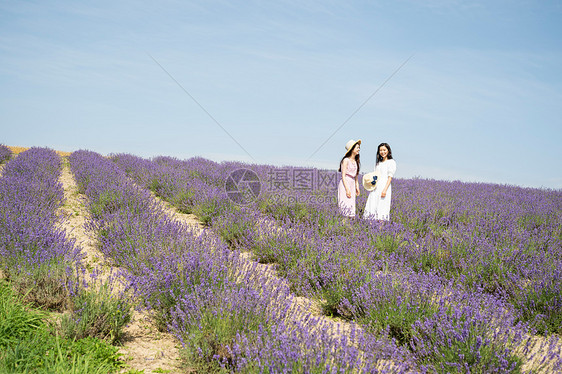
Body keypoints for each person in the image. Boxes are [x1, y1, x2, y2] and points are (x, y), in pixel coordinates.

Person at [364, 142, 396, 221]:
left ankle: (380, 229)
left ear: (388, 151)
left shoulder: (391, 162)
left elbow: (390, 177)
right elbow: (375, 175)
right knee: (372, 206)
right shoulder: (378, 164)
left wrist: (385, 189)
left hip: (384, 186)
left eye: (384, 150)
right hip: (376, 187)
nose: (382, 152)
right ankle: (371, 229)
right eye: (380, 150)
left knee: (382, 207)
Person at [337, 139, 361, 217]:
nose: (359, 149)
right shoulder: (346, 160)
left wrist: (357, 187)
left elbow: (356, 176)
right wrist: (347, 189)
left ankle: (349, 226)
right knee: (345, 204)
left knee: (351, 205)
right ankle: (343, 224)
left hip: (352, 183)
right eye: (357, 147)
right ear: (352, 149)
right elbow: (343, 175)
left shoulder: (356, 161)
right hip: (345, 183)